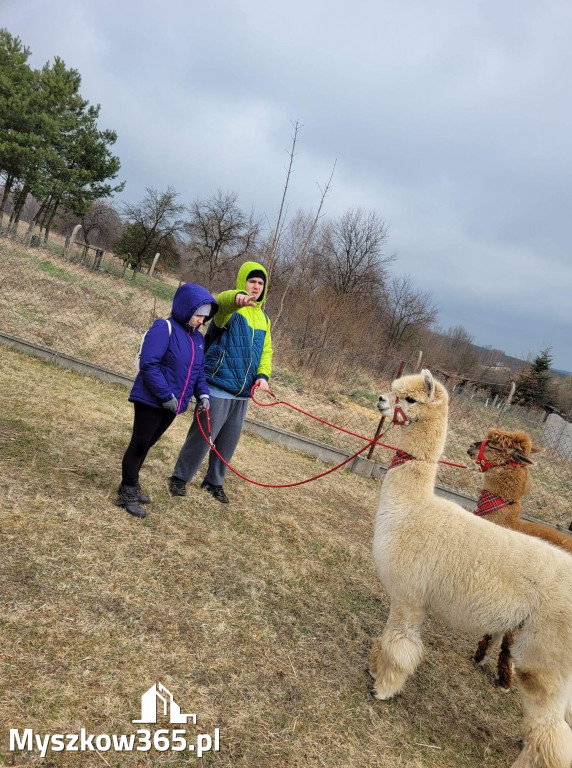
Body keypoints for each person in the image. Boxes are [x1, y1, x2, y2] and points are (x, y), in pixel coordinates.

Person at [168, 261, 273, 503]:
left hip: (243, 393)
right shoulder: (228, 310)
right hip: (218, 386)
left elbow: (266, 352)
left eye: (260, 283)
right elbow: (222, 301)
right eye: (251, 281)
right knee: (202, 436)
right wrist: (237, 298)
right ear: (242, 282)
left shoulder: (264, 319)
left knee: (228, 442)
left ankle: (213, 482)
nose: (256, 287)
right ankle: (179, 478)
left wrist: (262, 376)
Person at [115, 283, 217, 519]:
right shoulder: (164, 328)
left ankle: (132, 483)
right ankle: (127, 492)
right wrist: (165, 395)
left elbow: (198, 371)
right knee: (139, 444)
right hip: (151, 401)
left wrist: (203, 394)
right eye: (198, 314)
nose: (201, 321)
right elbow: (149, 364)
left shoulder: (198, 340)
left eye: (205, 317)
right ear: (186, 308)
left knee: (148, 444)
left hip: (173, 405)